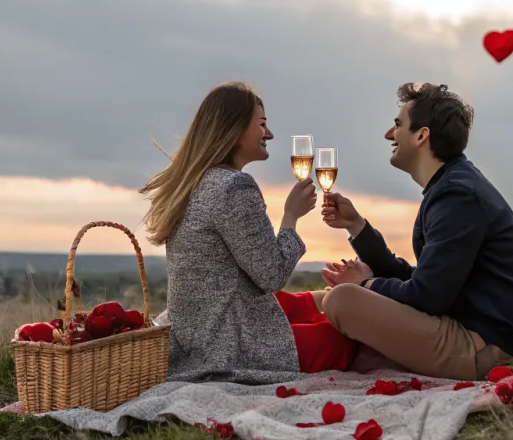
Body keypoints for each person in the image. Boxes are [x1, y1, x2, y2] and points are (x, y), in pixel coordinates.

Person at [319, 82, 513, 382]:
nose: (389, 134)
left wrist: (367, 284)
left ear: (422, 135)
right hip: (476, 332)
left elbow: (426, 295)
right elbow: (423, 280)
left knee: (341, 300)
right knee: (326, 296)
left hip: (490, 349)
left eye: (398, 125)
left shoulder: (457, 196)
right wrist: (356, 225)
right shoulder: (452, 186)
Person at [140, 81, 357, 383]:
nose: (269, 134)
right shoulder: (233, 187)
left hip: (195, 329)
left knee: (307, 307)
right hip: (224, 344)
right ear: (236, 128)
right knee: (345, 339)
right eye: (263, 125)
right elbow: (271, 275)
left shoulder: (197, 181)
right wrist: (291, 217)